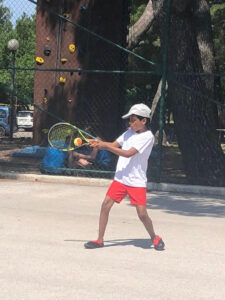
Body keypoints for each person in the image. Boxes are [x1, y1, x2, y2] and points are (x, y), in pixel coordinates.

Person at [84, 103, 165, 250]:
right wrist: (98, 144)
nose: (130, 123)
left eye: (133, 120)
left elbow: (128, 153)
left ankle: (155, 237)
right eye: (129, 120)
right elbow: (114, 144)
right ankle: (100, 240)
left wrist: (105, 146)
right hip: (121, 178)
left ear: (144, 121)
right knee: (105, 205)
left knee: (142, 214)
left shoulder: (148, 137)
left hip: (137, 181)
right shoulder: (128, 132)